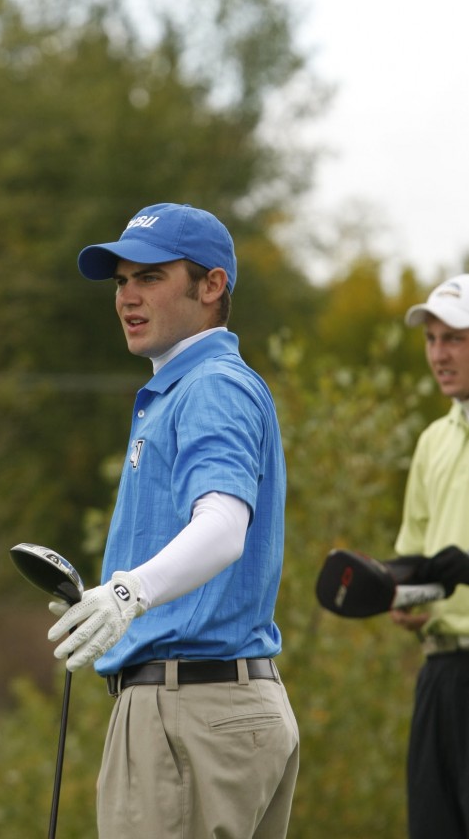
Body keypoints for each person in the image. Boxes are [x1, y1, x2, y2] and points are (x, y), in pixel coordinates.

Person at [48, 202, 299, 839]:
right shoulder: (187, 387)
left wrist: (126, 596)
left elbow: (222, 526)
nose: (127, 297)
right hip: (222, 711)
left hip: (189, 708)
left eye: (151, 278)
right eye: (120, 281)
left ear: (212, 285)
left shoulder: (209, 384)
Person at [390, 273, 469, 839]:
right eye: (432, 339)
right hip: (440, 673)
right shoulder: (433, 441)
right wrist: (393, 590)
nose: (439, 354)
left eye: (456, 339)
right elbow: (413, 557)